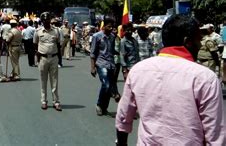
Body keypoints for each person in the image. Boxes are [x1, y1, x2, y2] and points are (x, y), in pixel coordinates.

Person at [116, 14, 225, 145]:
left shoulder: (138, 70)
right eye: (198, 39)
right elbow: (215, 134)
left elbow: (123, 117)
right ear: (187, 41)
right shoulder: (205, 78)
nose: (200, 44)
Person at [90, 18, 119, 116]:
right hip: (101, 63)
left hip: (110, 64)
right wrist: (92, 67)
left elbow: (112, 51)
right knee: (106, 85)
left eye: (112, 27)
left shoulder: (112, 37)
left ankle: (104, 107)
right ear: (104, 26)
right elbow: (93, 53)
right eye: (109, 26)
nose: (111, 29)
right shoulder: (96, 36)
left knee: (109, 86)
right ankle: (99, 104)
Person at [34, 12, 62, 111]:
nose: (46, 22)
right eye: (44, 20)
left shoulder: (57, 31)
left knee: (54, 81)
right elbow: (35, 45)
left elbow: (59, 45)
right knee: (43, 80)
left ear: (50, 20)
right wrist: (37, 57)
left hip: (54, 58)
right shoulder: (38, 31)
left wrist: (59, 59)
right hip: (43, 58)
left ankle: (56, 102)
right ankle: (44, 101)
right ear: (42, 21)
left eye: (48, 20)